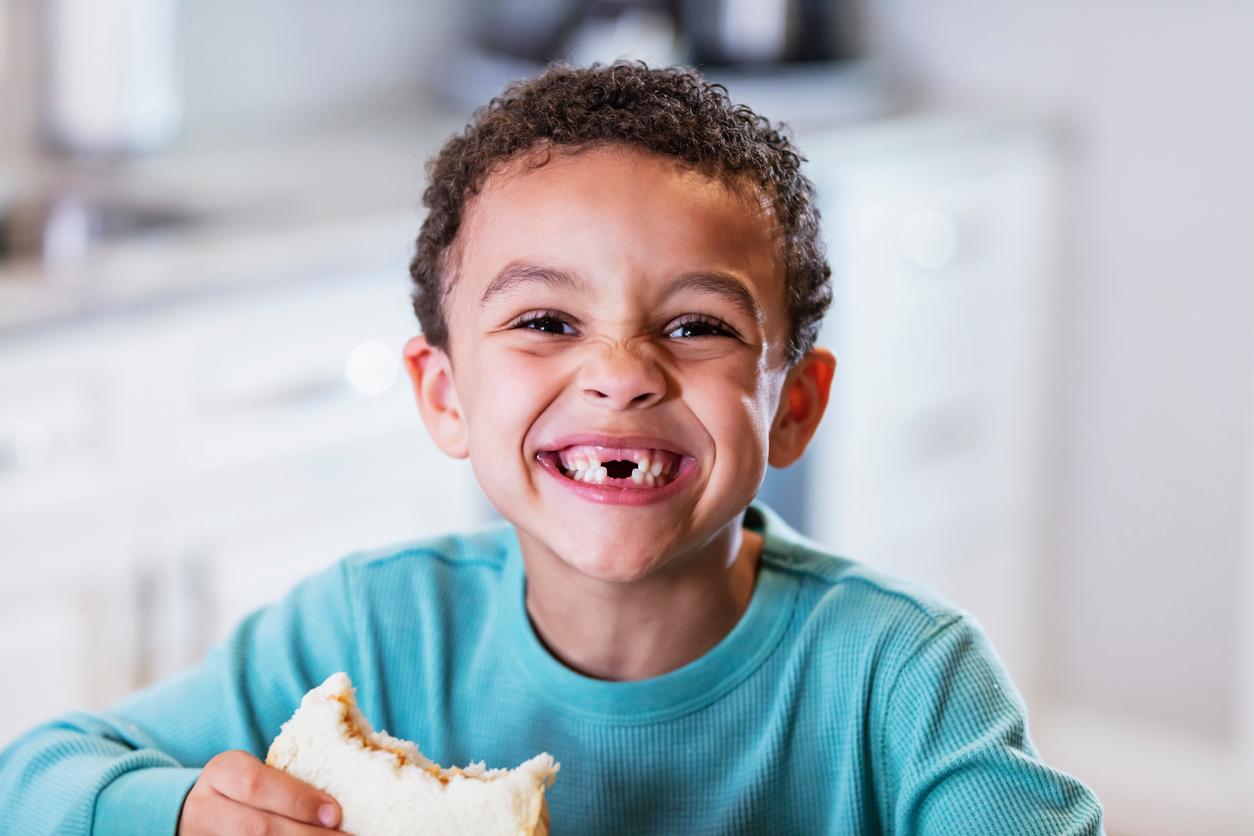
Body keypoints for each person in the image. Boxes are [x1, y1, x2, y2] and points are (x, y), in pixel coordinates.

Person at [0, 62, 1103, 835]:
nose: (621, 370)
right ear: (444, 396)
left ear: (795, 404)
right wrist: (181, 810)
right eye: (544, 322)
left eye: (696, 325)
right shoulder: (367, 633)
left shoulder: (901, 679)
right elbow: (35, 776)